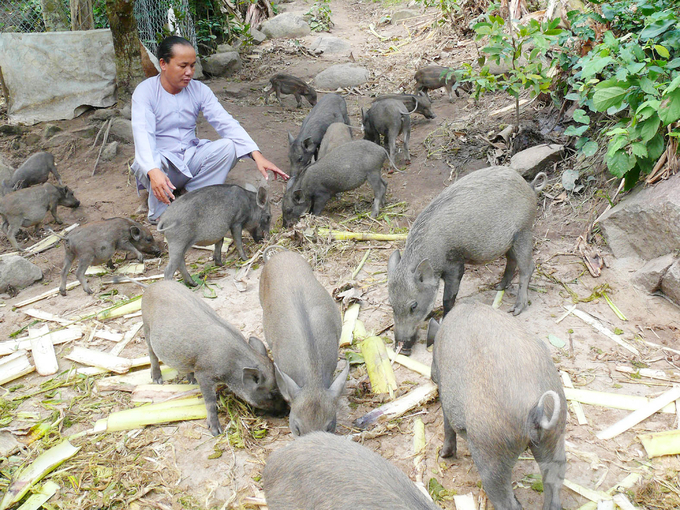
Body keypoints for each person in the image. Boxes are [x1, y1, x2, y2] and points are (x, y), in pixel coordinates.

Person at [131, 36, 288, 223]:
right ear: (163, 64)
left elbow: (225, 122)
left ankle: (194, 197)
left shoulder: (199, 90)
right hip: (161, 164)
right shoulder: (145, 91)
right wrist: (153, 169)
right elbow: (143, 135)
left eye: (192, 65)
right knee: (148, 162)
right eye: (183, 66)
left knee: (229, 147)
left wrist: (256, 154)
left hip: (189, 158)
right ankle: (163, 215)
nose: (189, 72)